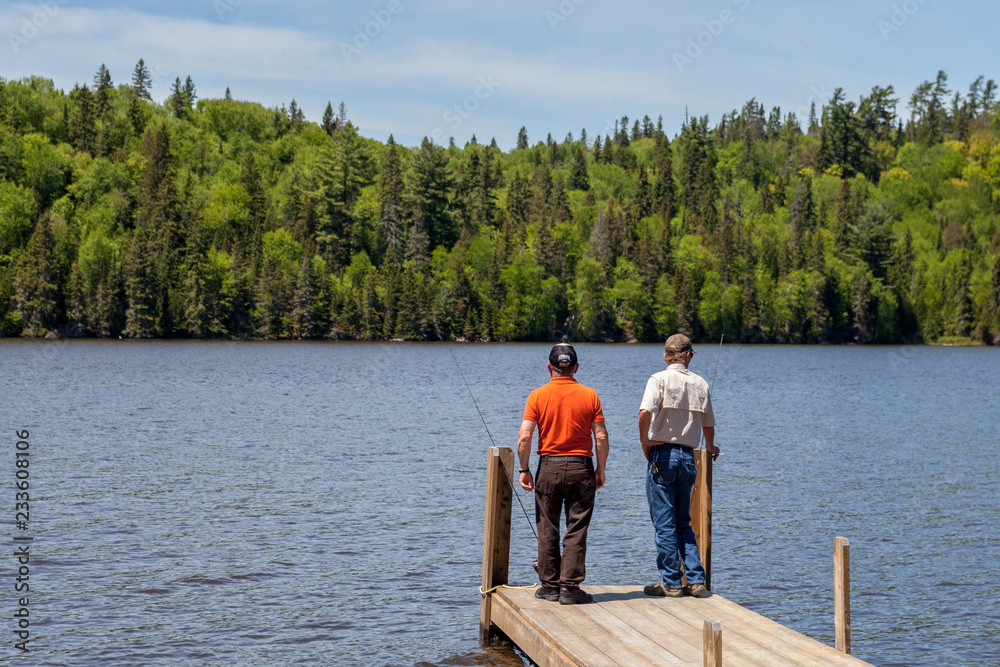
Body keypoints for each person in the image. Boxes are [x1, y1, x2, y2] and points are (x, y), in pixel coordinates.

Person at [517, 344, 609, 605]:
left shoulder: (537, 396)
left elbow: (525, 437)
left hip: (549, 466)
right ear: (576, 368)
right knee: (576, 528)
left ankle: (549, 586)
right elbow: (600, 436)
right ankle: (570, 588)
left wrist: (524, 469)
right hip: (582, 467)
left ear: (549, 367)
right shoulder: (590, 395)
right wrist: (600, 469)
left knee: (548, 526)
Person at [638, 333, 719, 598]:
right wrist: (711, 447)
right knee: (683, 522)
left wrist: (645, 441)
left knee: (664, 523)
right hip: (688, 456)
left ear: (666, 355)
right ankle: (696, 581)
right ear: (687, 356)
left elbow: (644, 413)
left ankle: (671, 583)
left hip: (662, 455)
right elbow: (708, 423)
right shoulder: (701, 383)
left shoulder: (658, 379)